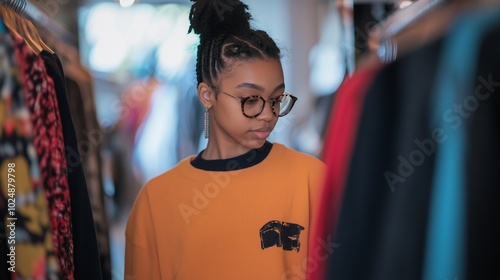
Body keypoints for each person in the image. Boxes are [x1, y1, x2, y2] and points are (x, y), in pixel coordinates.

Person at [124, 0, 326, 279]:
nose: (268, 114)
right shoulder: (155, 201)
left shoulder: (311, 179)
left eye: (276, 99)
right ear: (207, 95)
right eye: (251, 100)